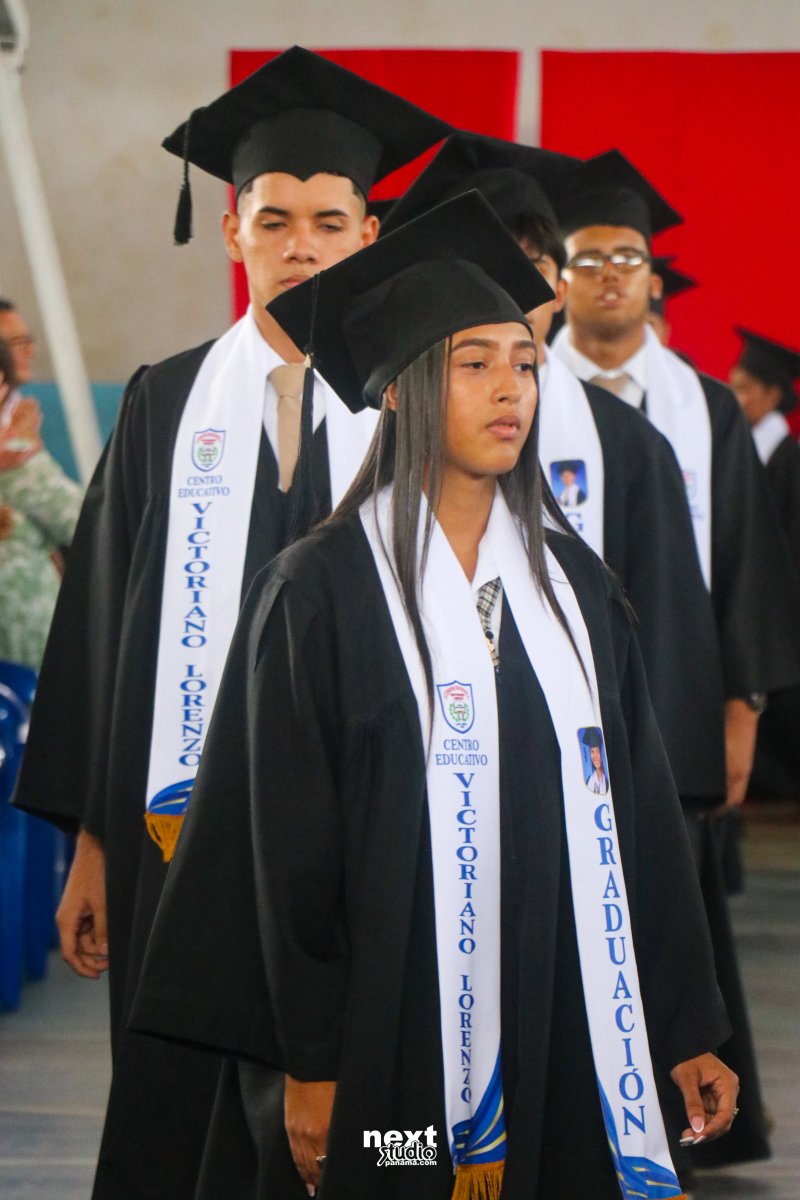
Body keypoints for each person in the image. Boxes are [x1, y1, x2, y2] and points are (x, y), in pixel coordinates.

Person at [131, 191, 737, 1200]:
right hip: (384, 1046)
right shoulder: (317, 594)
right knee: (398, 1169)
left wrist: (683, 1025)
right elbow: (283, 850)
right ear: (405, 387)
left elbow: (636, 817)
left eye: (525, 365)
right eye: (474, 364)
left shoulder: (573, 591)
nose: (510, 390)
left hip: (559, 1016)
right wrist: (310, 1062)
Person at [12, 47, 451, 1200]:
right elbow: (103, 631)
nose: (299, 245)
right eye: (273, 220)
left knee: (372, 1117)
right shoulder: (166, 401)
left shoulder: (418, 408)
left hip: (369, 829)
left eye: (327, 221)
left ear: (369, 235)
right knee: (179, 1104)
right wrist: (93, 846)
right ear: (230, 231)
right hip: (176, 832)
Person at [551, 149, 800, 1167]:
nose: (609, 275)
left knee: (671, 911)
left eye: (628, 258)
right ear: (558, 275)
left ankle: (678, 1129)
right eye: (587, 258)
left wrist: (741, 710)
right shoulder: (521, 390)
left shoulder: (702, 406)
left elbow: (745, 566)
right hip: (557, 697)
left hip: (676, 700)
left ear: (653, 278)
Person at [381, 132, 727, 810]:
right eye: (481, 263)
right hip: (414, 767)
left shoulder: (629, 444)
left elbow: (663, 636)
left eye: (528, 265)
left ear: (559, 289)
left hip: (578, 782)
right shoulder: (376, 429)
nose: (505, 288)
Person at [730, 328, 800, 800]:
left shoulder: (788, 461)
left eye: (743, 389)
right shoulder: (749, 452)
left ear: (772, 396)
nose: (733, 398)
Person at [0, 334, 82, 669]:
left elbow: (82, 521)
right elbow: (88, 522)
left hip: (29, 655)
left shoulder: (20, 461)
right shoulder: (19, 465)